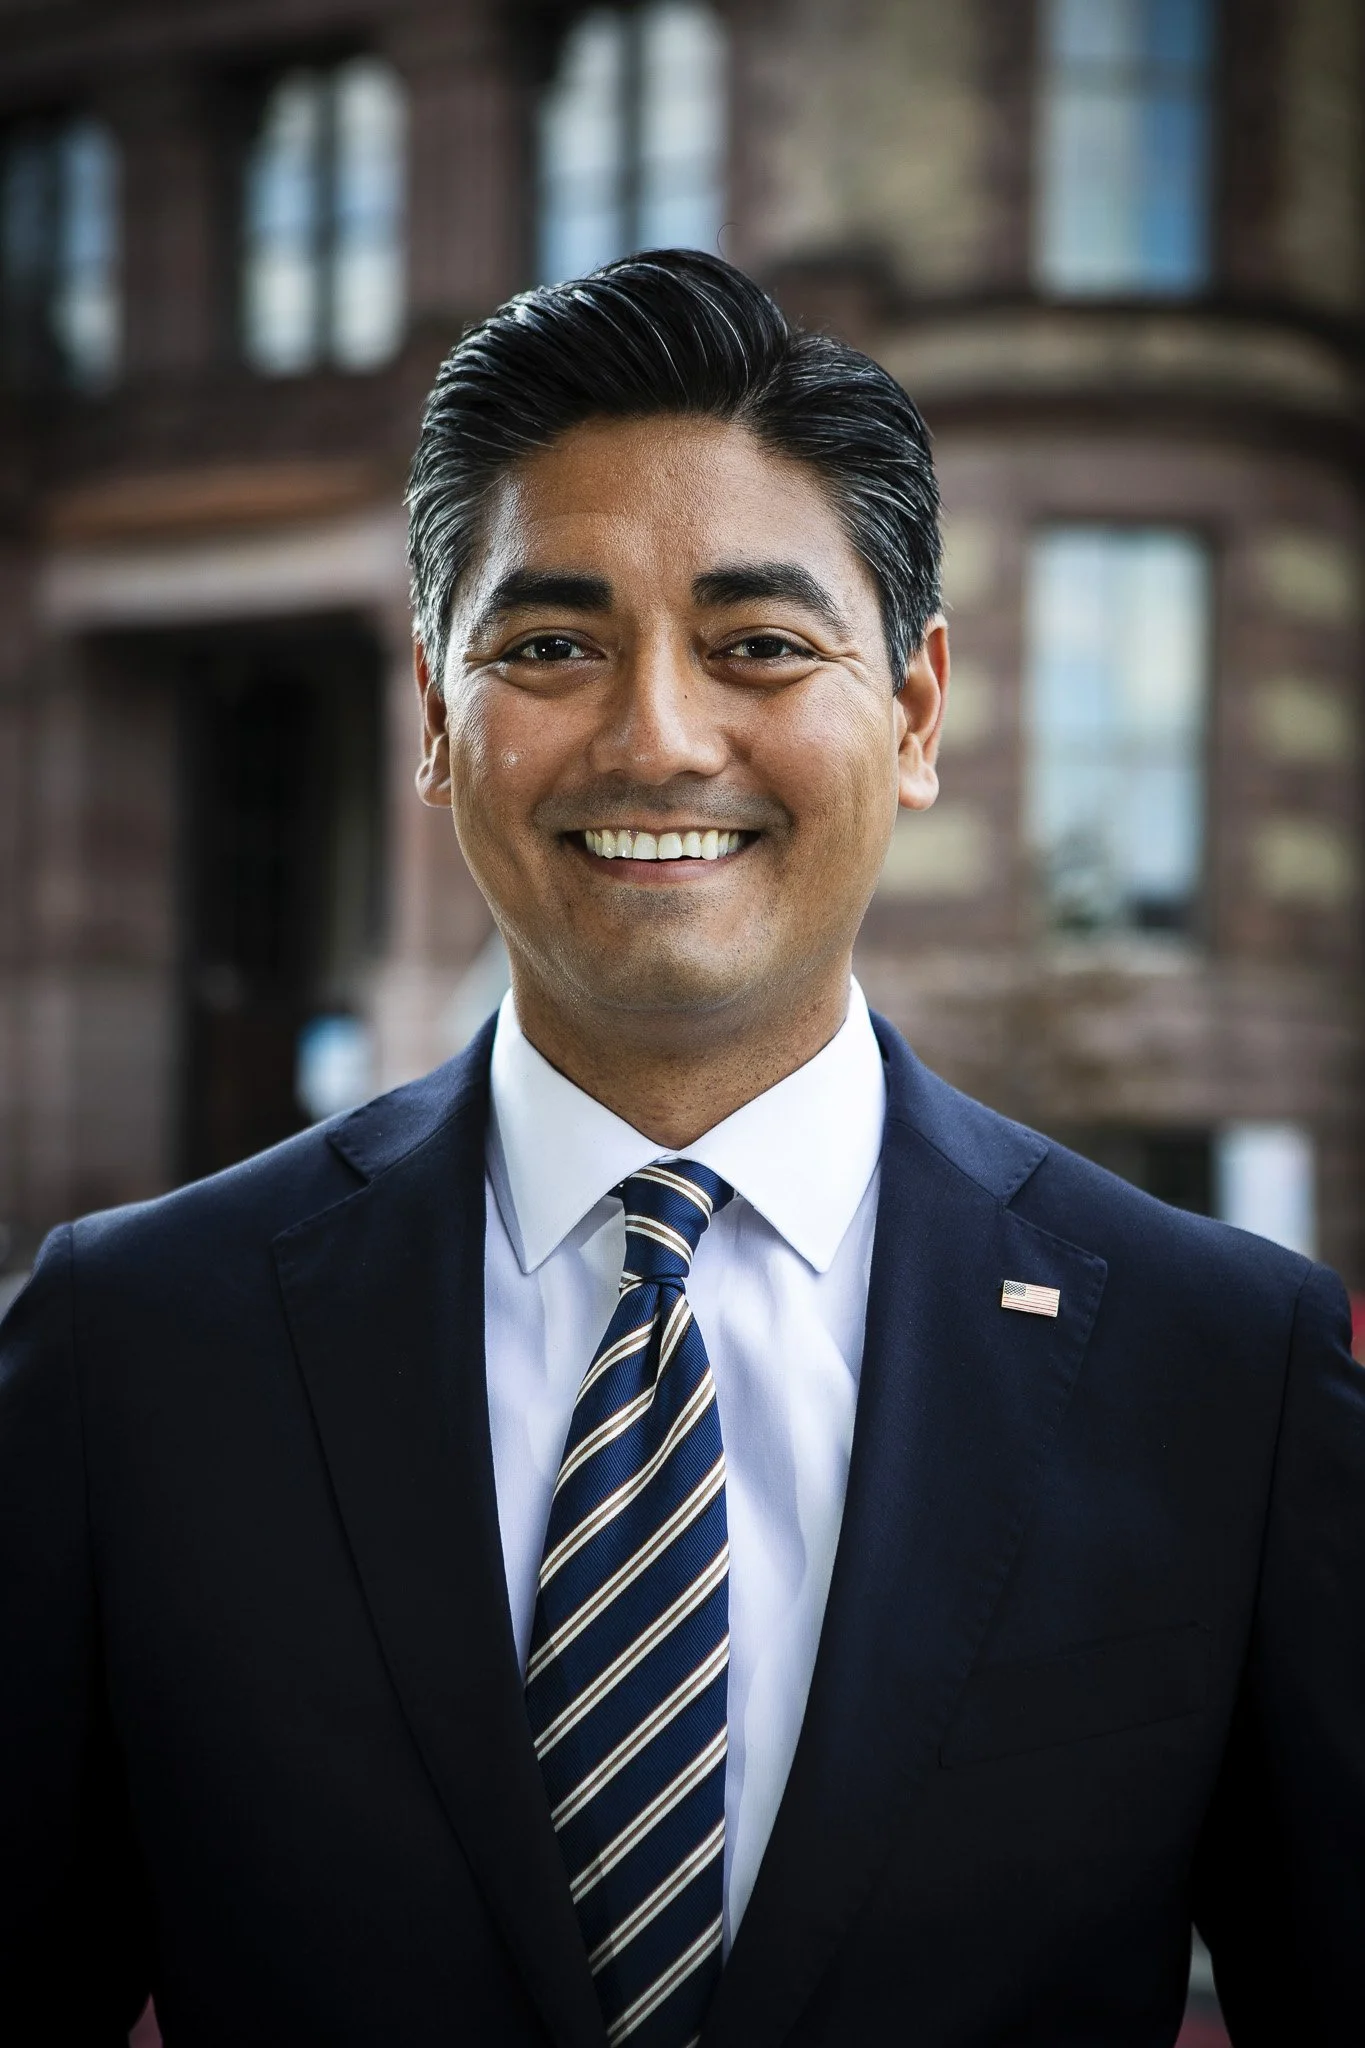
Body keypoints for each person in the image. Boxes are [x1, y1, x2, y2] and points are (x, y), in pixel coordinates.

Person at [1, 250, 1361, 2048]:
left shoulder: (1225, 1369)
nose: (656, 737)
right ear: (432, 716)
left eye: (761, 647)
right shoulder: (133, 1346)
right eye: (551, 645)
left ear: (917, 711)